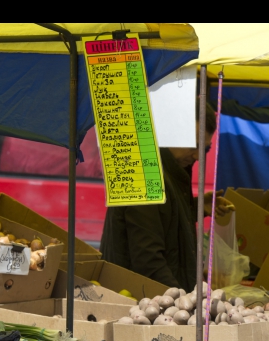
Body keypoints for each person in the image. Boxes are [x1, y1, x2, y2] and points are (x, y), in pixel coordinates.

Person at [100, 101, 234, 291]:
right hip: (139, 306)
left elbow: (163, 222)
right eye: (193, 146)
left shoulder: (172, 171)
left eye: (205, 149)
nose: (197, 156)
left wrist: (195, 207)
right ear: (171, 131)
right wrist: (183, 304)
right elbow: (149, 263)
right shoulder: (145, 175)